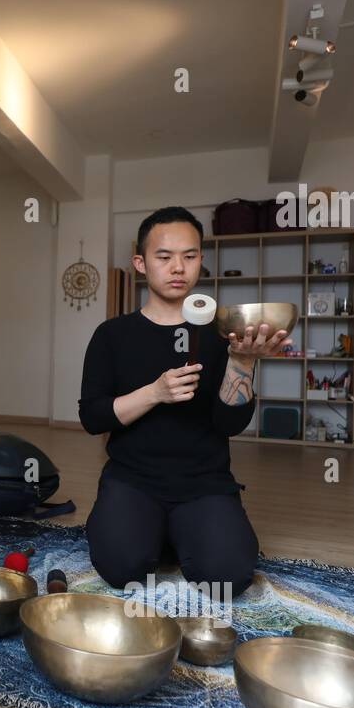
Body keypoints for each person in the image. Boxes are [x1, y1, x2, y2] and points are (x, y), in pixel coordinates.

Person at [78, 206, 289, 597]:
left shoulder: (224, 334)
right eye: (164, 257)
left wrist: (242, 361)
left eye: (189, 256)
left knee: (227, 577)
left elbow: (230, 424)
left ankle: (176, 529)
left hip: (205, 482)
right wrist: (155, 393)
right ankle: (149, 527)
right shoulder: (112, 335)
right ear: (140, 263)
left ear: (201, 262)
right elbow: (92, 417)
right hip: (133, 479)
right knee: (122, 567)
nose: (178, 267)